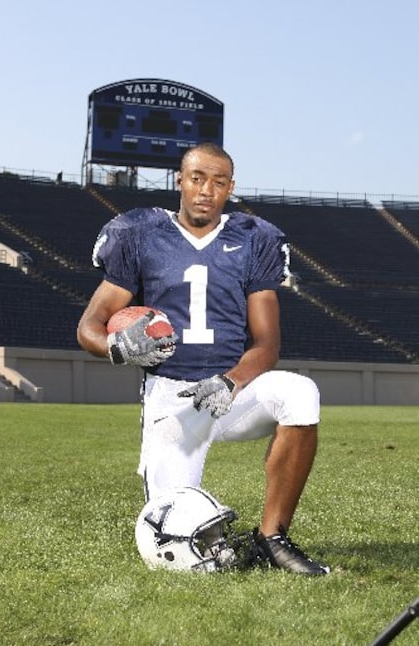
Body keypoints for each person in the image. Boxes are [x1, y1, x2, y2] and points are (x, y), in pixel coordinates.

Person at [77, 142, 330, 575]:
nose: (206, 190)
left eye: (218, 182)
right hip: (173, 400)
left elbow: (267, 344)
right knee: (172, 540)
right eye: (197, 178)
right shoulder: (140, 235)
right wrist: (115, 347)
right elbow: (89, 329)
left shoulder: (253, 239)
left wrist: (231, 380)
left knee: (301, 393)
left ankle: (272, 538)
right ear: (180, 180)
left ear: (231, 188)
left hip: (231, 392)